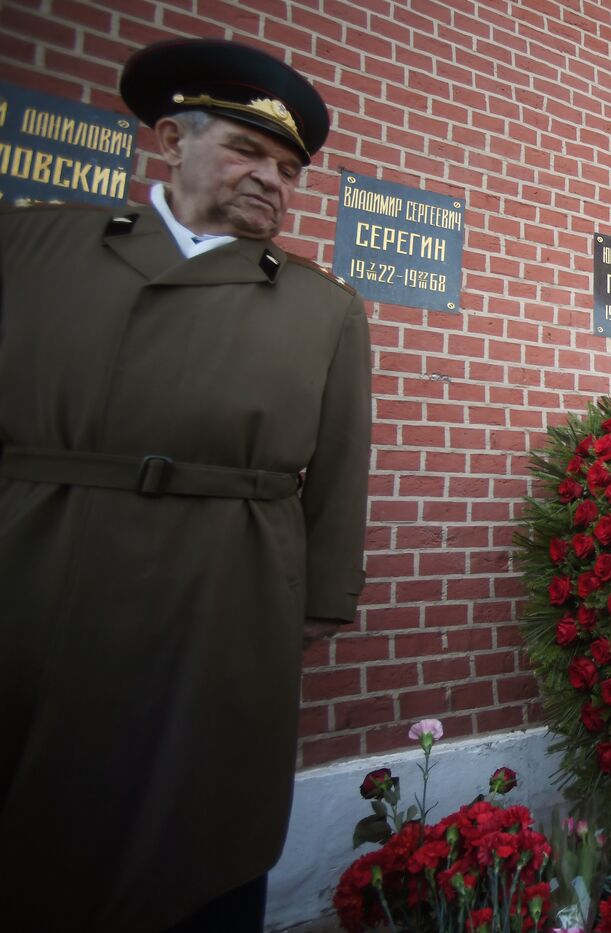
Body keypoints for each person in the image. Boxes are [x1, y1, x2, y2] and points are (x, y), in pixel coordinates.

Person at [0, 39, 371, 931]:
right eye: (246, 151)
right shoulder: (33, 243)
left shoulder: (324, 307)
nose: (271, 180)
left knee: (199, 825)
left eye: (287, 167)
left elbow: (341, 464)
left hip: (227, 594)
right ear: (171, 138)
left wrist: (318, 599)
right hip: (35, 563)